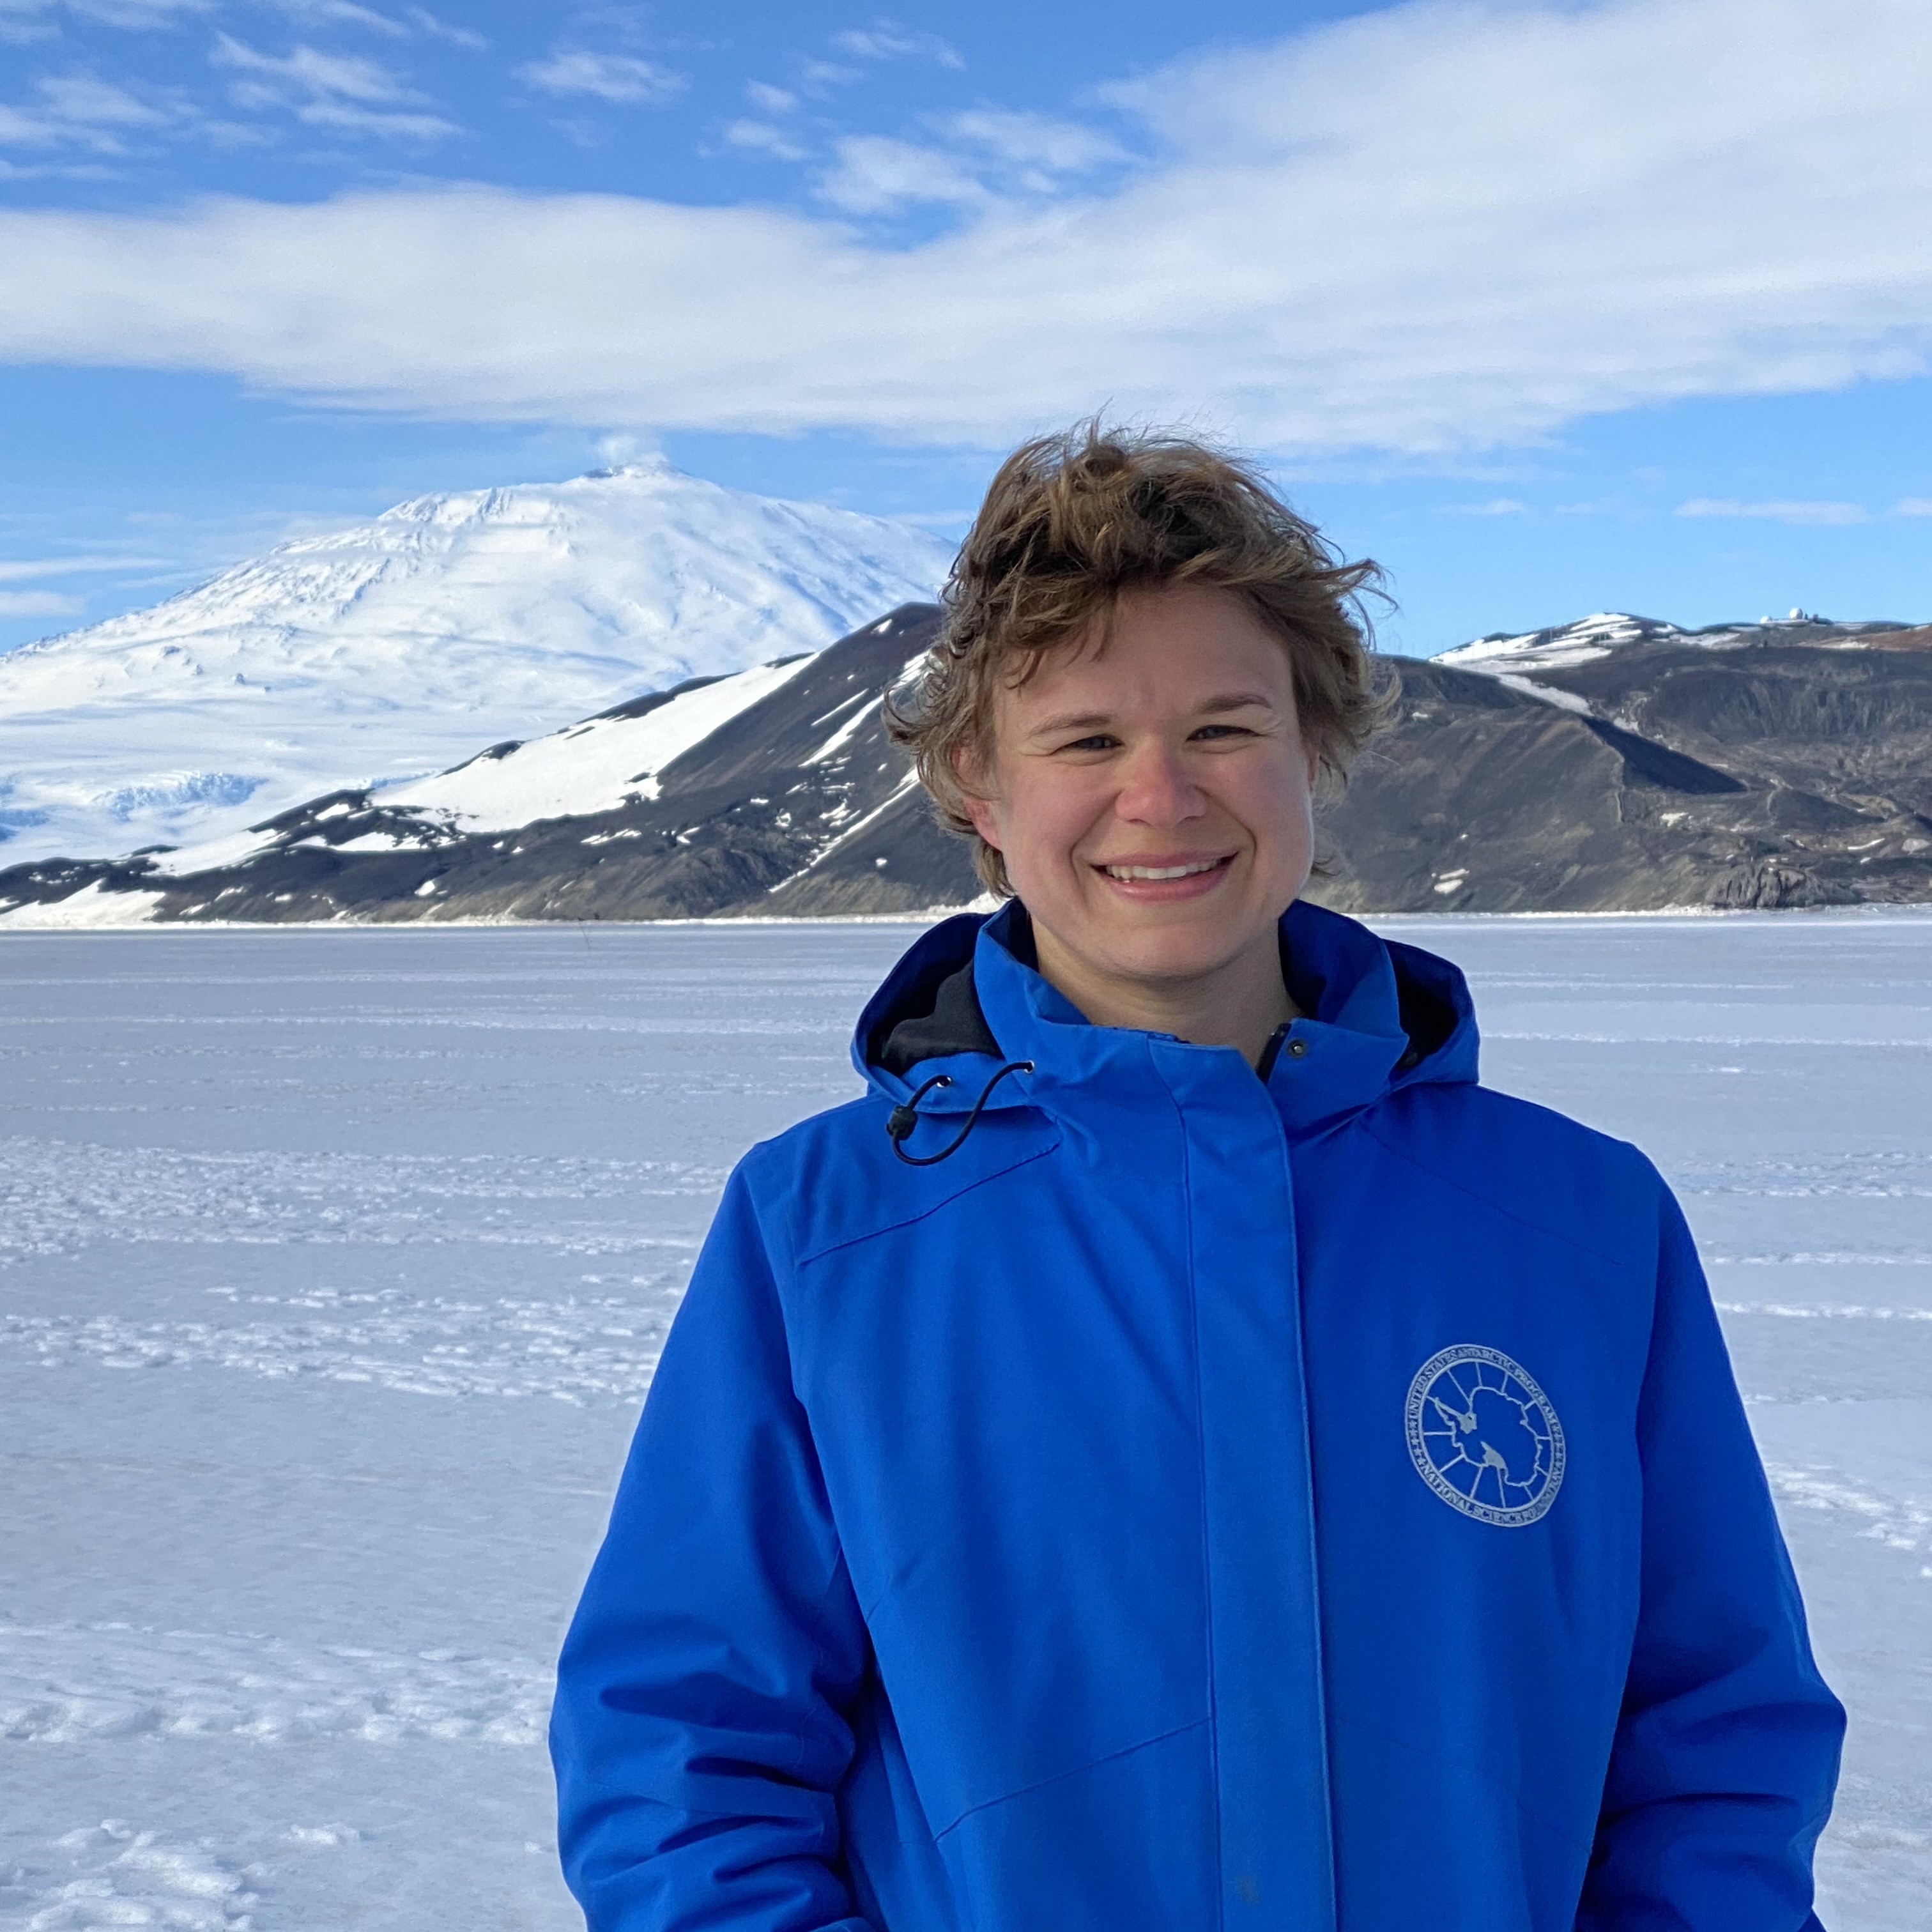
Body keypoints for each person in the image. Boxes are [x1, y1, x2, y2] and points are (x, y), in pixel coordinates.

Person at [550, 424, 1844, 1931]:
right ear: (978, 782)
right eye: (1087, 741)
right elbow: (685, 1762)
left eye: (1226, 728)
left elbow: (1715, 1738)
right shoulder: (827, 1235)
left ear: (1313, 747)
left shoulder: (1580, 1222)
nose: (1161, 799)